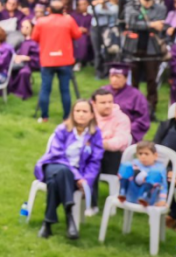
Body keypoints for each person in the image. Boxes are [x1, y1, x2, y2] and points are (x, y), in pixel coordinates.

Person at [34, 99, 102, 240]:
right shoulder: (62, 129)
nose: (81, 114)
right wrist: (77, 177)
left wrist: (86, 181)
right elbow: (58, 156)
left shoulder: (96, 134)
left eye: (85, 111)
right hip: (53, 165)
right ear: (72, 113)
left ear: (91, 115)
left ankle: (47, 224)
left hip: (72, 175)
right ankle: (69, 216)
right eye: (78, 111)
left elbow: (95, 162)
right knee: (63, 171)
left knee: (55, 183)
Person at [32, 1, 82, 122]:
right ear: (63, 10)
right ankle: (66, 118)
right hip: (65, 60)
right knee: (65, 89)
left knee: (45, 89)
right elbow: (78, 34)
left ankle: (44, 117)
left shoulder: (42, 21)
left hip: (47, 60)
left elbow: (34, 37)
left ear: (49, 9)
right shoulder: (68, 20)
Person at [124, 0, 167, 117]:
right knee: (133, 81)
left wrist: (142, 24)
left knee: (151, 80)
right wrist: (151, 24)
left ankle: (150, 109)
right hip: (134, 47)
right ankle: (132, 107)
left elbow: (160, 26)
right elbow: (130, 23)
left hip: (152, 48)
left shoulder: (160, 8)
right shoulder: (132, 6)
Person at [90, 87, 132, 213]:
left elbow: (120, 142)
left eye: (110, 102)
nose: (108, 105)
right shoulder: (88, 116)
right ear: (94, 104)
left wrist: (98, 143)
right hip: (91, 155)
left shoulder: (121, 118)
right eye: (103, 103)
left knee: (95, 158)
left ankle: (92, 204)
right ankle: (87, 201)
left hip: (112, 159)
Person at [154, 98, 176, 230]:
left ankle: (173, 216)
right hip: (167, 169)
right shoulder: (166, 126)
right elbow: (155, 151)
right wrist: (169, 172)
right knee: (164, 181)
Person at [104, 62, 150, 143]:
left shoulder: (136, 95)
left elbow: (143, 120)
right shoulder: (102, 92)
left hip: (127, 133)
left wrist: (124, 129)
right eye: (112, 76)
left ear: (126, 78)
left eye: (118, 77)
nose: (114, 80)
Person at [118, 140, 168, 207]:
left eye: (146, 154)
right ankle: (122, 191)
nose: (143, 156)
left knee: (154, 173)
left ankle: (145, 195)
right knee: (126, 165)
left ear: (155, 155)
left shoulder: (160, 168)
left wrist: (162, 200)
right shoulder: (134, 163)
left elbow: (163, 186)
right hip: (131, 194)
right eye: (140, 153)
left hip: (149, 198)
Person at [89, 0, 120, 77]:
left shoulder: (113, 0)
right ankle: (99, 72)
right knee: (97, 52)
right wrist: (102, 2)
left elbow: (114, 11)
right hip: (96, 28)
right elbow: (91, 10)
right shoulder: (94, 0)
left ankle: (108, 72)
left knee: (108, 51)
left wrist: (103, 3)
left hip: (108, 28)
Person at [10, 19, 40, 100]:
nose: (24, 29)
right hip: (13, 62)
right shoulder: (16, 39)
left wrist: (28, 58)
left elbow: (38, 57)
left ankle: (22, 93)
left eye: (27, 27)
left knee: (24, 72)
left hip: (26, 64)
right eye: (23, 26)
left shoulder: (34, 43)